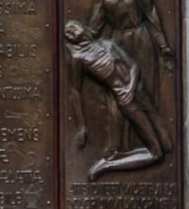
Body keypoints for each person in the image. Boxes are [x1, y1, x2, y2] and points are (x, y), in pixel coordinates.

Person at [85, 0, 174, 165]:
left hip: (142, 41)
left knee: (142, 93)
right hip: (118, 43)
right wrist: (81, 41)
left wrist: (163, 45)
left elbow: (151, 14)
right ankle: (123, 148)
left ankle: (154, 143)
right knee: (120, 96)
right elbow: (96, 23)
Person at [64, 18, 171, 178]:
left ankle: (115, 156)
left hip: (138, 91)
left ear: (82, 26)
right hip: (126, 99)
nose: (71, 31)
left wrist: (131, 88)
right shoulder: (78, 58)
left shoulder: (107, 44)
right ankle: (106, 165)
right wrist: (81, 126)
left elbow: (133, 66)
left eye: (73, 26)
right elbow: (75, 91)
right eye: (68, 33)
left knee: (167, 146)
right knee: (157, 154)